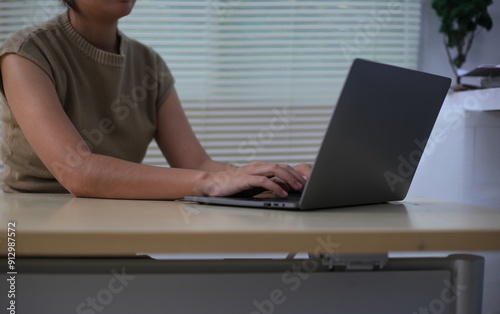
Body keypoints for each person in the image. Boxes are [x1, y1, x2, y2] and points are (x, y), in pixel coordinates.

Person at [0, 0, 311, 200]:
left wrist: (277, 178)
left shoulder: (149, 64)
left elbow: (196, 163)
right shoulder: (26, 53)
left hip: (117, 225)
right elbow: (77, 171)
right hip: (33, 235)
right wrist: (208, 181)